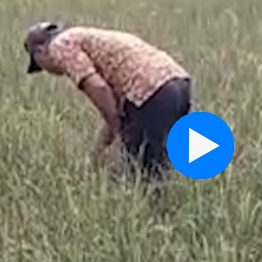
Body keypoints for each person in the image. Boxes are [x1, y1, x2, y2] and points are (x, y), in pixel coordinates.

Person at [24, 21, 192, 179]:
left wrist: (119, 131)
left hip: (151, 92)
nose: (46, 71)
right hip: (178, 84)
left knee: (137, 175)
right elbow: (114, 111)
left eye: (40, 66)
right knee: (158, 162)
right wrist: (95, 157)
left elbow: (98, 88)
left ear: (40, 52)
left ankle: (158, 209)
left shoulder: (60, 46)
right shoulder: (90, 39)